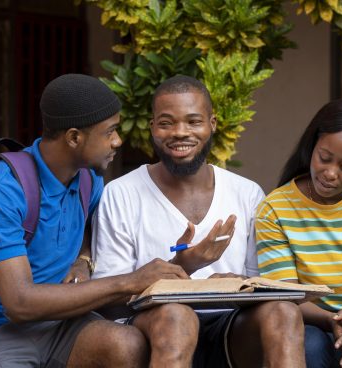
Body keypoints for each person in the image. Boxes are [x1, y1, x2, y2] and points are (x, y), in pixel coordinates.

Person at [92, 75, 307, 367]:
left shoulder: (247, 193)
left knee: (285, 312)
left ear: (212, 124)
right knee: (176, 316)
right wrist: (183, 267)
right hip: (158, 327)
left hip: (230, 326)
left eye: (194, 121)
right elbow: (109, 300)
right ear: (152, 127)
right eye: (167, 123)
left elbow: (261, 285)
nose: (180, 132)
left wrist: (240, 283)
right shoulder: (121, 193)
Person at [0, 73, 191, 368]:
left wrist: (84, 257)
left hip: (63, 323)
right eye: (109, 132)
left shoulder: (87, 180)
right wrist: (128, 281)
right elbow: (19, 303)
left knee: (126, 344)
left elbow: (89, 226)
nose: (118, 141)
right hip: (0, 330)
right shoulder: (2, 188)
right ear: (73, 137)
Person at [255, 98, 342, 368]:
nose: (331, 173)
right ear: (312, 146)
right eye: (324, 158)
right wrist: (338, 321)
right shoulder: (275, 209)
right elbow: (286, 294)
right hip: (313, 322)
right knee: (307, 344)